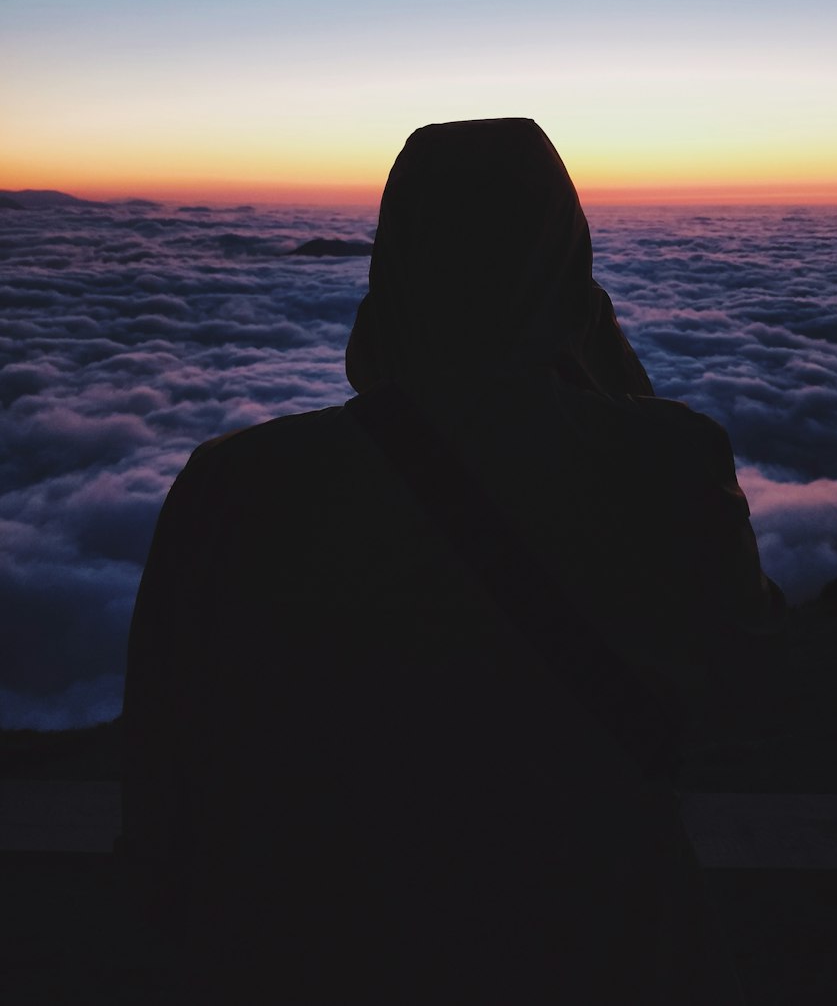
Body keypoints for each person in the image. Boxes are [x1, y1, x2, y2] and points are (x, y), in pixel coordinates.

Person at [122, 118, 784, 1004]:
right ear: (569, 261)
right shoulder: (672, 462)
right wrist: (618, 400)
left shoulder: (232, 484)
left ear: (393, 258)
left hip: (316, 950)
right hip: (606, 946)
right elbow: (749, 696)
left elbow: (167, 768)